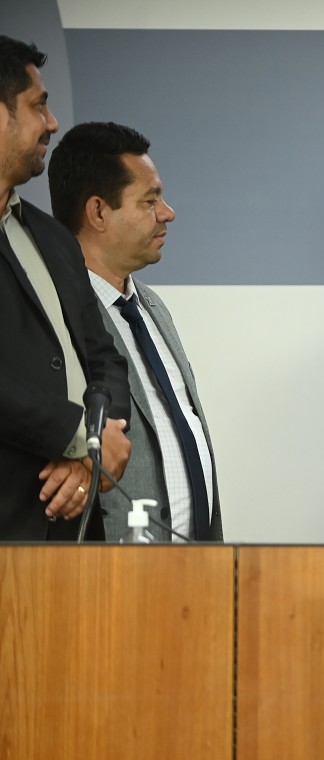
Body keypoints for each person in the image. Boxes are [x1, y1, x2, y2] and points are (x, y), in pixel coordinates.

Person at [49, 121, 221, 542]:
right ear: (98, 213)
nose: (167, 213)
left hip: (199, 562)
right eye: (150, 200)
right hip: (116, 570)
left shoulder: (152, 307)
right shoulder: (54, 317)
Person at [0, 36, 130, 541]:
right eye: (38, 106)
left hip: (77, 529)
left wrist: (92, 456)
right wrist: (84, 436)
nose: (52, 123)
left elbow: (104, 359)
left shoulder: (53, 237)